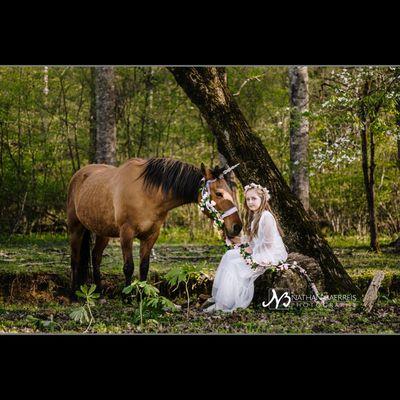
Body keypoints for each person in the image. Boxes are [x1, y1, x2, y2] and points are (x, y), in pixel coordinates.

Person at [203, 183, 288, 313]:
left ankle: (225, 304)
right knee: (229, 255)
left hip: (270, 254)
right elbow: (250, 241)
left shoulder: (266, 217)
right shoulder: (253, 217)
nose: (250, 202)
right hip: (258, 251)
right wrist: (235, 241)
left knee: (235, 265)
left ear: (262, 199)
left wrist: (251, 253)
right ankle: (221, 299)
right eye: (248, 199)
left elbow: (268, 243)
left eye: (254, 199)